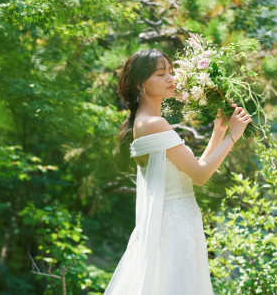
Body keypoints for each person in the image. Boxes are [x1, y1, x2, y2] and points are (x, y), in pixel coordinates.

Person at [104, 49, 252, 295]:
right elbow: (201, 176)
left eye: (171, 72)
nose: (171, 79)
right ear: (141, 83)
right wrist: (233, 136)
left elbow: (192, 171)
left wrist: (218, 134)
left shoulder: (146, 120)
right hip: (174, 226)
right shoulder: (153, 123)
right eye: (161, 74)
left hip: (178, 220)